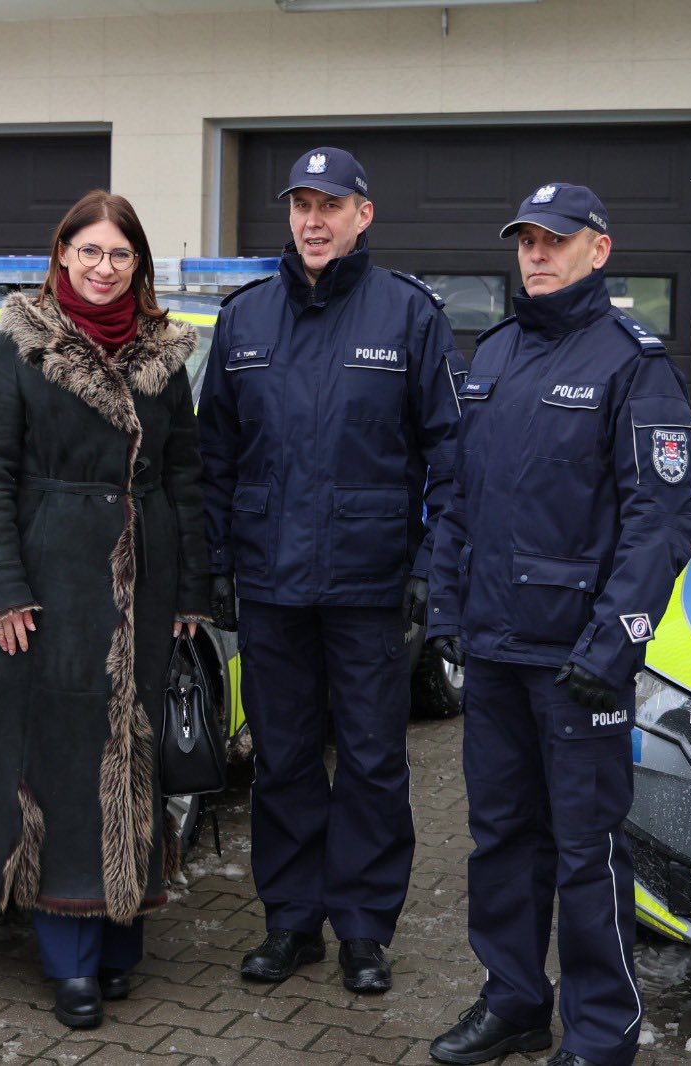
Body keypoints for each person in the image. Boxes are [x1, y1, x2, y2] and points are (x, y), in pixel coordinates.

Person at [425, 183, 691, 1066]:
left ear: (599, 251)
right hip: (497, 651)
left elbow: (662, 521)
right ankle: (512, 1001)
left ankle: (600, 1033)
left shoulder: (633, 363)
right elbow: (461, 499)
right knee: (500, 840)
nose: (537, 254)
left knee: (585, 853)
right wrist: (444, 609)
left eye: (556, 239)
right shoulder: (494, 353)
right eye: (526, 240)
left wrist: (617, 640)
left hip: (578, 661)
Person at [0, 190, 210, 1029]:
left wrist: (191, 590)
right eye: (88, 252)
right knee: (61, 758)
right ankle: (70, 957)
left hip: (147, 578)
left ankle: (121, 936)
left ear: (139, 265)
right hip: (51, 582)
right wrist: (3, 588)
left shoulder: (165, 358)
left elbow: (187, 478)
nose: (102, 268)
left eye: (119, 254)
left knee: (133, 747)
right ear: (61, 257)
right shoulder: (21, 348)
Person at [198, 146, 461, 993]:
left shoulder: (409, 317)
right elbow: (215, 462)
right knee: (282, 759)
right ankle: (290, 922)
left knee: (375, 763)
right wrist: (214, 574)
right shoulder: (245, 320)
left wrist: (428, 569)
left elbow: (448, 459)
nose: (313, 221)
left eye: (330, 205)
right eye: (302, 206)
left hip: (369, 585)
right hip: (271, 585)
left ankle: (363, 929)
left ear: (363, 215)